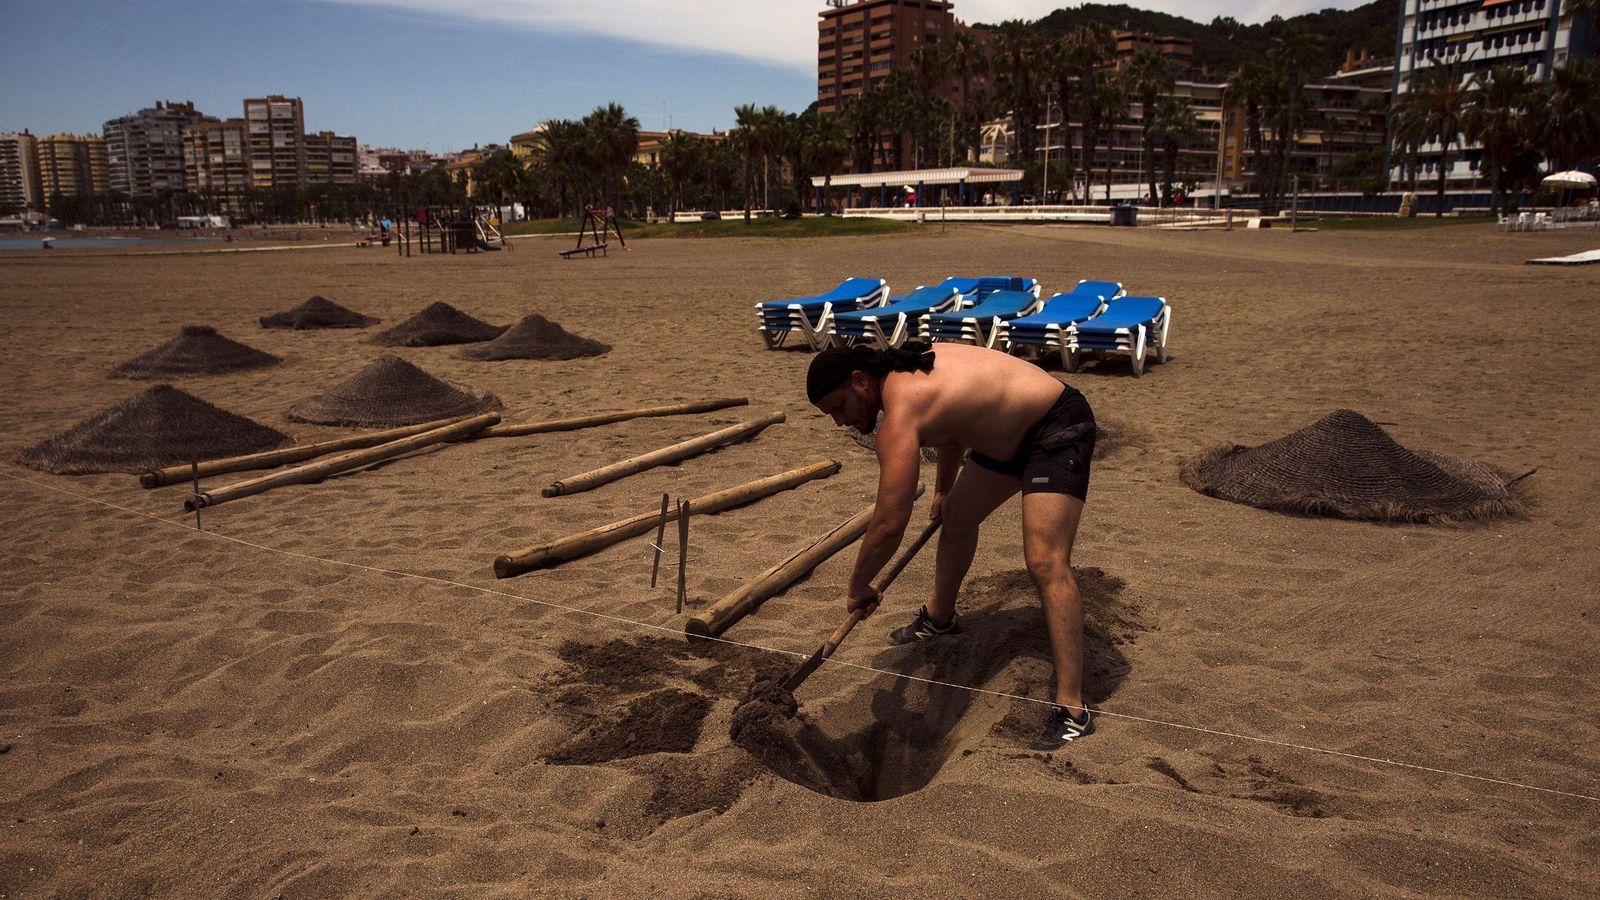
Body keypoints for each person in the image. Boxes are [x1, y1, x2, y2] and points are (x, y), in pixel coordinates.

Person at [806, 341, 1098, 750]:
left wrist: (859, 585)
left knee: (1045, 562)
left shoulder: (901, 415)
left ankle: (1072, 710)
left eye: (839, 407)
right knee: (957, 514)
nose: (839, 422)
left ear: (859, 381)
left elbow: (889, 522)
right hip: (1005, 437)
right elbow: (951, 425)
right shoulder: (909, 370)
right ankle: (940, 618)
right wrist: (944, 488)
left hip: (1055, 425)